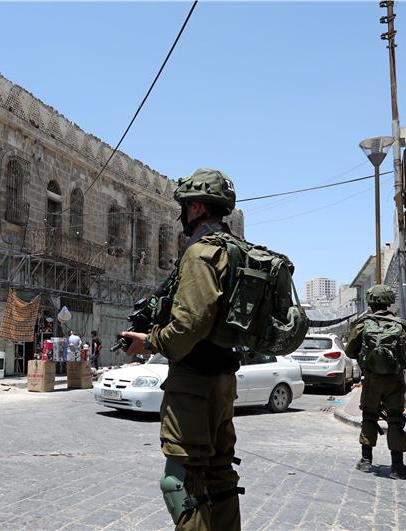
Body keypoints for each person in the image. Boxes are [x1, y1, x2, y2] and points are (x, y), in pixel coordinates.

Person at [122, 168, 242, 531]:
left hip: (194, 384)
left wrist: (149, 342)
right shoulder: (237, 252)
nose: (182, 214)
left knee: (181, 482)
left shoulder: (201, 253)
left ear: (197, 208)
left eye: (186, 206)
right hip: (224, 379)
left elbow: (190, 324)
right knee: (220, 475)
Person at [345, 284, 406, 480]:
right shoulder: (402, 326)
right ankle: (397, 466)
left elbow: (349, 351)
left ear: (371, 303)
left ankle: (366, 461)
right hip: (394, 381)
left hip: (371, 381)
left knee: (369, 416)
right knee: (395, 419)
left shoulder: (363, 324)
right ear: (389, 302)